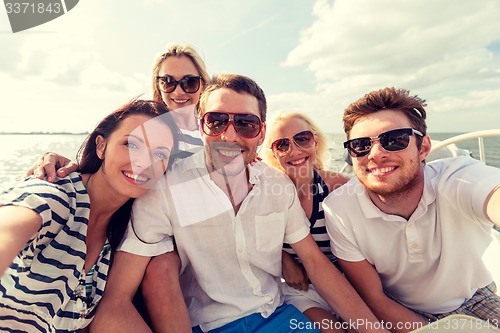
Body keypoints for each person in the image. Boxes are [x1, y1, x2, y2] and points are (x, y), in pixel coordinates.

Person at [89, 74, 389, 333]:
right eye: (216, 121)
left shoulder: (278, 186)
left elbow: (314, 262)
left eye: (245, 124)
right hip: (206, 324)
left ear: (260, 132)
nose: (229, 136)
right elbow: (115, 301)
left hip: (278, 314)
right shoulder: (166, 188)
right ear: (201, 125)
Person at [323, 87, 500, 333]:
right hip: (395, 307)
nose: (375, 154)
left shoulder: (458, 179)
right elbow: (374, 298)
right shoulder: (339, 209)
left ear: (424, 147)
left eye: (395, 140)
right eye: (361, 145)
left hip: (473, 299)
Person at [0, 99, 180, 332]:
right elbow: (10, 228)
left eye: (159, 153)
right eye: (132, 145)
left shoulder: (125, 231)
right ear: (101, 146)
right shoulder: (55, 196)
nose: (144, 162)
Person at [261, 112, 351, 333]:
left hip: (347, 284)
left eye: (302, 138)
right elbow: (255, 238)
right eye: (282, 145)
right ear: (273, 153)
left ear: (315, 141)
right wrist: (283, 259)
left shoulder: (339, 186)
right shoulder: (267, 195)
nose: (294, 150)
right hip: (301, 291)